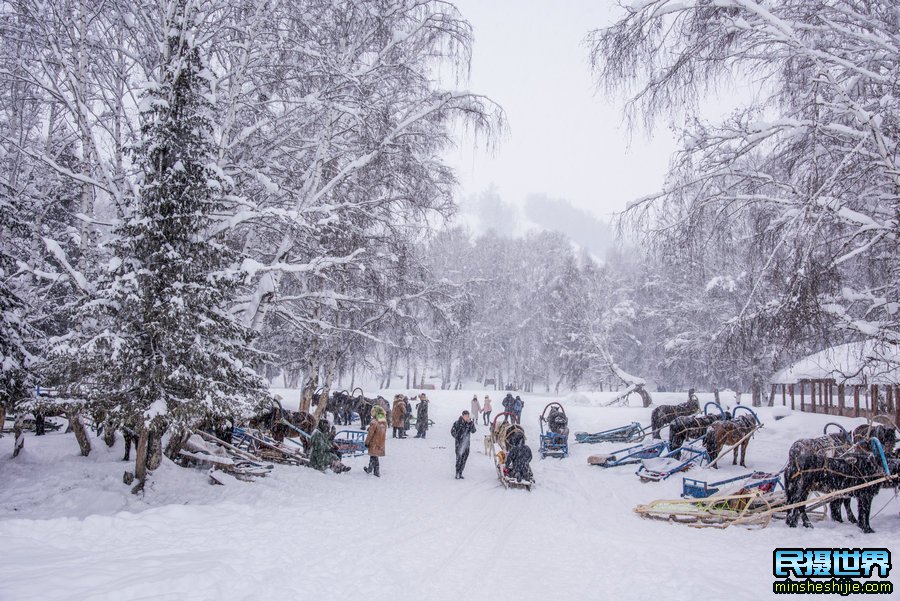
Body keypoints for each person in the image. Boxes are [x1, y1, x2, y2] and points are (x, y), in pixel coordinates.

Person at [450, 410, 477, 479]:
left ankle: (460, 473)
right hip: (459, 444)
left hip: (466, 445)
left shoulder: (469, 423)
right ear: (462, 416)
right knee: (459, 459)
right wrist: (457, 437)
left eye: (467, 416)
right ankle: (457, 473)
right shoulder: (457, 423)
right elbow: (452, 431)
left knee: (464, 459)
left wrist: (471, 423)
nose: (466, 417)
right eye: (465, 416)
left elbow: (473, 431)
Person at [364, 406, 387, 477]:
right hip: (380, 441)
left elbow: (370, 434)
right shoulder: (383, 421)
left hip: (374, 441)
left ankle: (375, 471)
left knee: (374, 456)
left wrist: (367, 442)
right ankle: (370, 469)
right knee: (374, 456)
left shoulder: (374, 422)